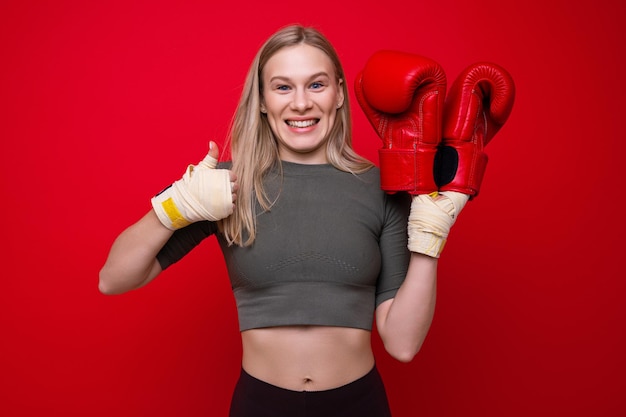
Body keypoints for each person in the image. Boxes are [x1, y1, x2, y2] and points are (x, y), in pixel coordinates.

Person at [99, 24, 514, 417]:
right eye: (283, 87)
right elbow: (113, 279)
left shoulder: (384, 189)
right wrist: (177, 205)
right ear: (262, 100)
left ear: (337, 93)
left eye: (316, 84)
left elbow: (402, 344)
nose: (301, 103)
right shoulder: (224, 187)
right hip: (259, 405)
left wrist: (430, 232)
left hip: (359, 405)